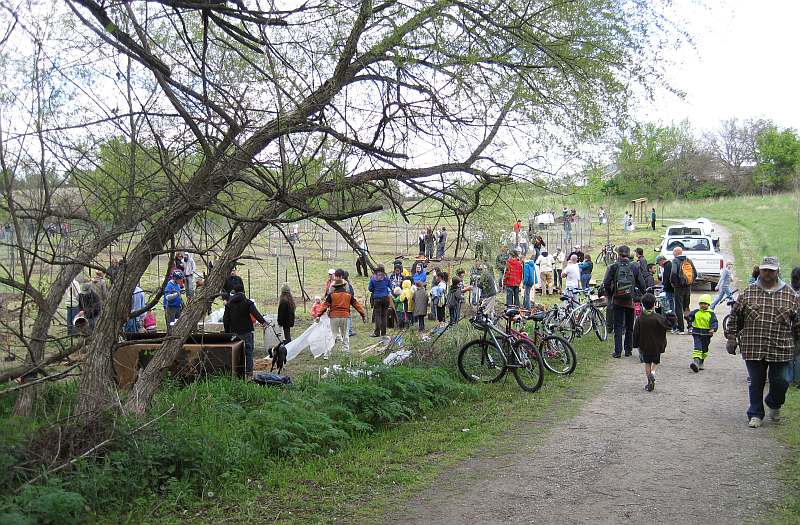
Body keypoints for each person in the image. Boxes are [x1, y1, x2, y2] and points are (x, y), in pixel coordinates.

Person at [726, 256, 800, 428]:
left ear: (777, 271)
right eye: (765, 269)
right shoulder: (748, 293)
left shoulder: (790, 295)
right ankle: (755, 413)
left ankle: (774, 403)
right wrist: (731, 338)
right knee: (756, 381)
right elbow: (734, 316)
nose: (767, 273)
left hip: (781, 348)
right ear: (760, 270)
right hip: (753, 346)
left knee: (782, 381)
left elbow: (797, 322)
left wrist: (798, 344)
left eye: (771, 270)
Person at [602, 245, 646, 358]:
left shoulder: (613, 267)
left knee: (618, 326)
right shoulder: (635, 267)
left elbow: (606, 283)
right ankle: (628, 350)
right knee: (629, 327)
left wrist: (610, 294)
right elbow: (642, 284)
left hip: (617, 300)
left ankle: (617, 352)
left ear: (619, 254)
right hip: (630, 301)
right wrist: (640, 294)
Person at [633, 293, 676, 392]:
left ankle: (649, 381)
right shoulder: (658, 317)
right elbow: (669, 325)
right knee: (656, 362)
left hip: (644, 345)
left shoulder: (640, 318)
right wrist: (671, 316)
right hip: (657, 345)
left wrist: (635, 344)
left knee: (647, 363)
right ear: (653, 305)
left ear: (642, 304)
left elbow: (636, 332)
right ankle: (653, 372)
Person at [223, 283, 267, 378]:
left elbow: (225, 319)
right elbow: (256, 314)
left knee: (237, 352)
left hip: (235, 332)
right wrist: (263, 322)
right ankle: (249, 373)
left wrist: (227, 331)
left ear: (234, 293)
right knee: (249, 352)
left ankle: (238, 372)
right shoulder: (248, 303)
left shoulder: (229, 304)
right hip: (247, 331)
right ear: (243, 292)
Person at [316, 278, 366, 354]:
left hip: (334, 317)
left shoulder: (331, 295)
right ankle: (346, 351)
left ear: (335, 287)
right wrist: (363, 314)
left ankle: (328, 352)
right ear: (344, 286)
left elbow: (324, 305)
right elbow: (357, 305)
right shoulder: (349, 295)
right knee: (345, 334)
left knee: (333, 334)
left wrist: (318, 315)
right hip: (345, 316)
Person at [687, 294, 718, 372]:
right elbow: (690, 317)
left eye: (705, 304)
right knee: (697, 347)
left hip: (706, 334)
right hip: (696, 333)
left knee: (704, 349)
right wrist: (688, 318)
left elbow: (714, 322)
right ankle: (696, 362)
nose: (703, 305)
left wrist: (713, 329)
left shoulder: (711, 314)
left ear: (708, 304)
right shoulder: (696, 312)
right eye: (701, 303)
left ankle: (701, 362)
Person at [670, 247, 697, 334]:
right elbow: (695, 273)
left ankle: (681, 329)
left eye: (673, 253)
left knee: (678, 308)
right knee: (686, 307)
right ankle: (690, 327)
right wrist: (689, 282)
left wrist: (673, 282)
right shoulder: (688, 260)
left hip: (678, 288)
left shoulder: (675, 260)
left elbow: (673, 273)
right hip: (688, 288)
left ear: (676, 253)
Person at [368, 264, 392, 337]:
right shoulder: (385, 277)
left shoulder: (373, 278)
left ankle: (377, 332)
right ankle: (384, 332)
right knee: (384, 315)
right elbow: (390, 286)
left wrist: (375, 289)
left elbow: (370, 289)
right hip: (385, 298)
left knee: (377, 316)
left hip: (377, 298)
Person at [656, 255, 677, 331]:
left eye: (658, 263)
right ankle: (673, 324)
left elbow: (667, 279)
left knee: (670, 308)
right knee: (671, 307)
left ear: (661, 260)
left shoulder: (667, 266)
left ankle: (673, 325)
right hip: (671, 289)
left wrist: (664, 288)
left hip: (669, 290)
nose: (659, 265)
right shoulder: (669, 265)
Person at [789, 267, 800, 388]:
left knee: (793, 354)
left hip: (792, 327)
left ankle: (791, 379)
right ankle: (796, 379)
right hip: (795, 327)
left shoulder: (790, 292)